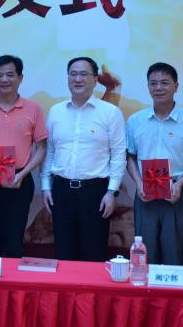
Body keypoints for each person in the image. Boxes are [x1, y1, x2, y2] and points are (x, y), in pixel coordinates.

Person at [41, 56, 126, 261]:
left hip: (95, 192)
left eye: (83, 74)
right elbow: (50, 151)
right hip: (61, 190)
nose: (78, 79)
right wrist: (45, 186)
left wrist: (111, 192)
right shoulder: (56, 111)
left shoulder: (110, 112)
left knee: (93, 255)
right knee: (64, 254)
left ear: (95, 79)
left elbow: (118, 155)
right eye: (73, 74)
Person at [125, 62, 183, 265]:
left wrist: (180, 184)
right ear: (148, 86)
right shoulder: (136, 121)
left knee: (174, 255)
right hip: (145, 194)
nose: (159, 88)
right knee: (145, 255)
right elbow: (130, 157)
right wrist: (138, 183)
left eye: (164, 83)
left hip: (177, 193)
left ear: (176, 86)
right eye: (153, 83)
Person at [0, 55, 47, 258]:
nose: (4, 80)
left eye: (10, 75)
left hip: (19, 179)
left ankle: (11, 277)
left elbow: (41, 148)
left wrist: (23, 174)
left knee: (14, 241)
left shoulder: (33, 109)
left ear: (20, 78)